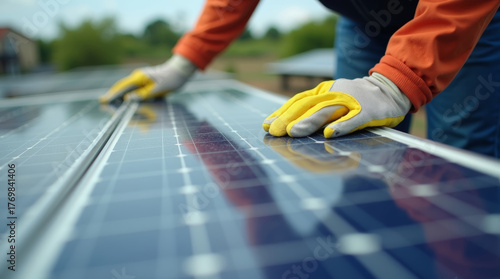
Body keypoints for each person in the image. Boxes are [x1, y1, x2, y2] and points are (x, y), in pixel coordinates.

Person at [99, 0, 500, 158]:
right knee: (352, 139)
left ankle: (464, 259)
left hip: (458, 14)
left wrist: (396, 81)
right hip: (362, 18)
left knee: (463, 153)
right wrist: (182, 63)